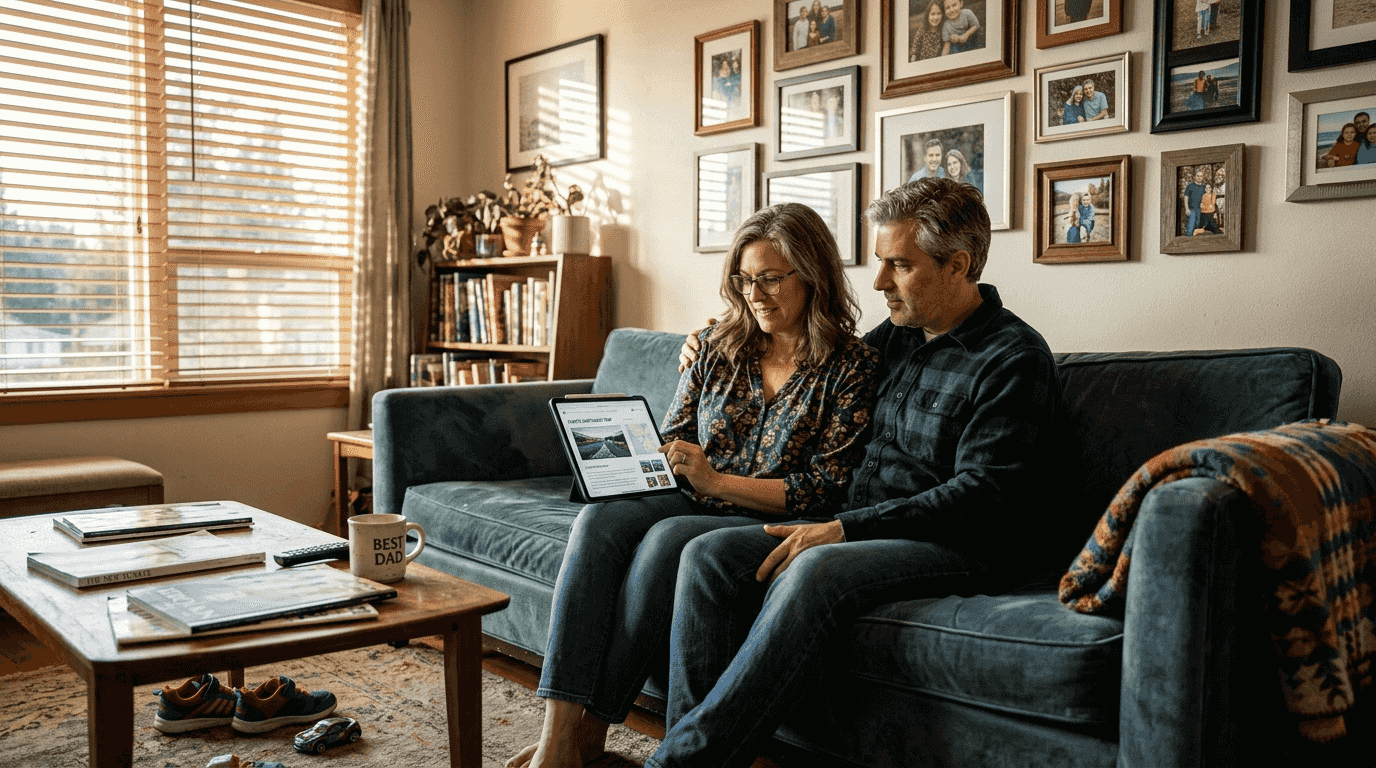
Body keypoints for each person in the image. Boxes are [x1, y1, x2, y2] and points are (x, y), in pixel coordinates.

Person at [655, 177, 1062, 768]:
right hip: (862, 526)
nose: (879, 283)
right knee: (708, 556)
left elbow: (983, 493)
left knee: (816, 566)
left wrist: (846, 528)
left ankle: (682, 763)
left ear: (960, 264)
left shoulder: (1013, 358)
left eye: (899, 266)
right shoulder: (895, 338)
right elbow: (813, 349)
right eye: (879, 263)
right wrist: (713, 337)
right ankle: (703, 748)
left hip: (955, 543)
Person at [505, 203, 879, 768]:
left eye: (772, 279)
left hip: (758, 512)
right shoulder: (716, 344)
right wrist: (627, 459)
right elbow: (676, 435)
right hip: (688, 491)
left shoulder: (852, 365)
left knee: (666, 540)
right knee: (600, 519)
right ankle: (560, 735)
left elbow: (826, 487)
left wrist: (716, 479)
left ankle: (594, 730)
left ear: (814, 275)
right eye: (745, 279)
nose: (756, 294)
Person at [1181, 167, 1207, 236]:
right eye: (1198, 176)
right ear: (1195, 177)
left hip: (1200, 210)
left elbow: (1206, 198)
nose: (1199, 177)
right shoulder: (1190, 186)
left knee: (1197, 228)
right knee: (1190, 228)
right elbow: (1186, 197)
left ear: (1202, 177)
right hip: (1191, 209)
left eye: (1201, 176)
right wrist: (1187, 208)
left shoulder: (1203, 187)